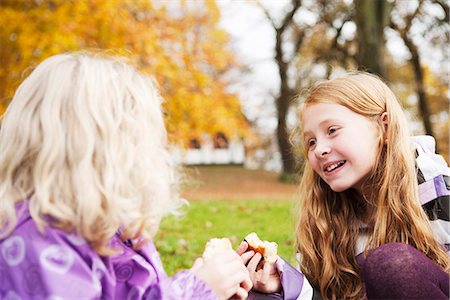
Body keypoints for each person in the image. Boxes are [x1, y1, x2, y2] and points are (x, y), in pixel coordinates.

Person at [0, 52, 252, 299]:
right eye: (141, 140)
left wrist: (208, 287)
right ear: (97, 150)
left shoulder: (111, 224)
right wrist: (195, 291)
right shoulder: (34, 242)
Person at [239, 72, 450, 299]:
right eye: (311, 142)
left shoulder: (437, 188)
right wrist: (284, 287)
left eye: (332, 130)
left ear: (384, 127)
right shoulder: (323, 218)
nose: (319, 149)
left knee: (393, 265)